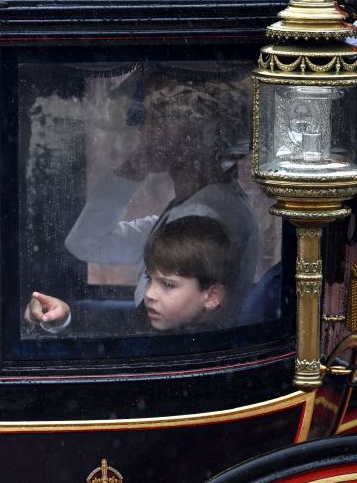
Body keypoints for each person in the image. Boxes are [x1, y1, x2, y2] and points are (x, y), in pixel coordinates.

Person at [63, 71, 259, 309]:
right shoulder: (191, 207)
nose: (140, 129)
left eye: (150, 117)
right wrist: (131, 170)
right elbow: (85, 244)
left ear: (194, 129)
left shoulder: (204, 215)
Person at [26, 216, 236, 333]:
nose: (150, 294)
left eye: (168, 284)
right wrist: (61, 317)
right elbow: (109, 325)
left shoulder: (204, 350)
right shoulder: (158, 320)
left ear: (211, 296)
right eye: (148, 279)